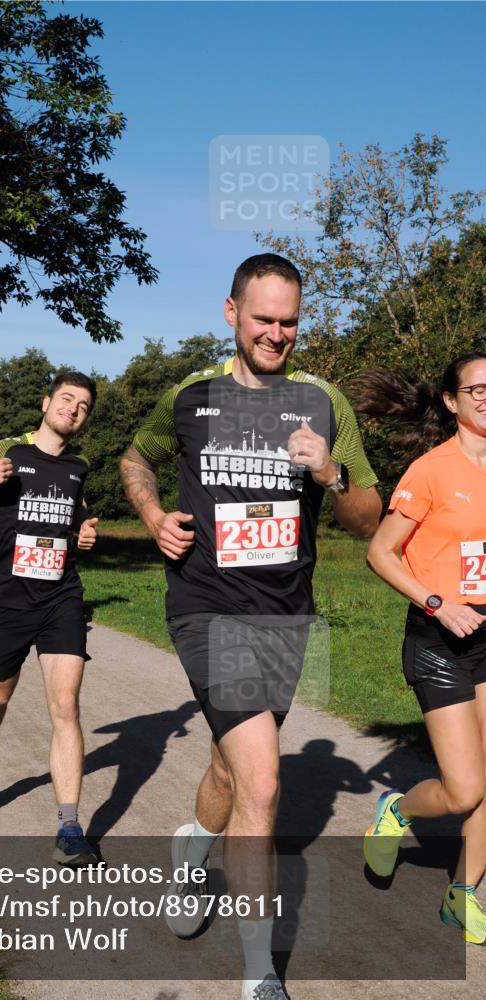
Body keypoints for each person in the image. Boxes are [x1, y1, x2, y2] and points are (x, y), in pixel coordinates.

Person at [120, 253, 381, 1000]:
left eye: (289, 320)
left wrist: (330, 474)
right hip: (205, 606)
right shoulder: (189, 396)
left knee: (231, 769)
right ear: (231, 312)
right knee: (263, 781)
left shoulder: (324, 400)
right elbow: (134, 458)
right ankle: (260, 975)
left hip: (285, 616)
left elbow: (369, 515)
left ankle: (193, 851)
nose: (276, 333)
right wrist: (151, 515)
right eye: (262, 318)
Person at [0, 372, 100, 866]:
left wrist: (84, 533)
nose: (73, 409)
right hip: (7, 599)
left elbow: (74, 517)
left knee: (66, 707)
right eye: (66, 399)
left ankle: (69, 826)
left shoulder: (79, 465)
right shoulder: (6, 451)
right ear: (46, 402)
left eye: (84, 406)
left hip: (61, 598)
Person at [361, 353, 486, 944]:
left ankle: (463, 892)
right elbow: (381, 553)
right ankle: (397, 812)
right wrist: (439, 603)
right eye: (475, 388)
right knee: (465, 790)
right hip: (439, 637)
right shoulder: (430, 470)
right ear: (451, 401)